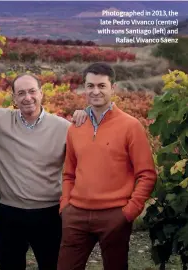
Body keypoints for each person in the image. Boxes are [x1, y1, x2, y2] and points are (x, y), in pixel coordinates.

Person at [0, 73, 87, 270]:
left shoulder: (63, 127)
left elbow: (87, 155)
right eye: (21, 93)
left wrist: (84, 115)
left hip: (49, 214)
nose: (27, 97)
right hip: (10, 214)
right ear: (14, 99)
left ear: (41, 94)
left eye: (32, 91)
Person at [57, 62, 157, 270]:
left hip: (115, 215)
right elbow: (69, 173)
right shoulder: (76, 126)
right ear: (84, 88)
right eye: (90, 86)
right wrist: (65, 206)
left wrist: (129, 212)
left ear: (113, 88)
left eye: (101, 86)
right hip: (76, 215)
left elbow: (147, 174)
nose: (95, 91)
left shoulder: (130, 126)